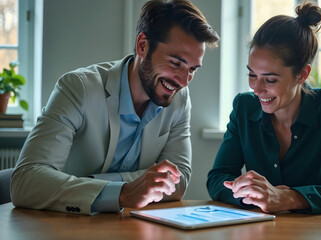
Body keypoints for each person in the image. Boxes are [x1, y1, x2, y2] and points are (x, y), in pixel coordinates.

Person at [11, 0, 219, 215]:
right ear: (142, 46)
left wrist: (108, 187)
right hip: (59, 223)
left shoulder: (179, 100)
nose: (184, 81)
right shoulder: (78, 88)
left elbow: (180, 180)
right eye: (176, 63)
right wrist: (122, 192)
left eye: (193, 69)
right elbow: (25, 180)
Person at [207, 1, 321, 214]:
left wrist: (291, 198)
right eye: (252, 75)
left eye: (270, 80)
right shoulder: (244, 107)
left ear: (302, 75)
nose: (257, 89)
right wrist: (251, 196)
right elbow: (217, 178)